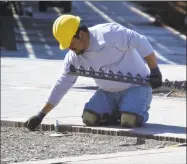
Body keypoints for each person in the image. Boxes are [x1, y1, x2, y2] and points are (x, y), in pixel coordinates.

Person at [25, 14, 162, 131]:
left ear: (81, 34)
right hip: (107, 93)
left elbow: (141, 41)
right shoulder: (74, 57)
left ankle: (134, 112)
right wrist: (40, 115)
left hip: (136, 87)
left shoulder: (110, 34)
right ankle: (118, 113)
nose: (69, 48)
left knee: (130, 120)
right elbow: (61, 85)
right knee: (89, 118)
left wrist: (154, 70)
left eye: (70, 43)